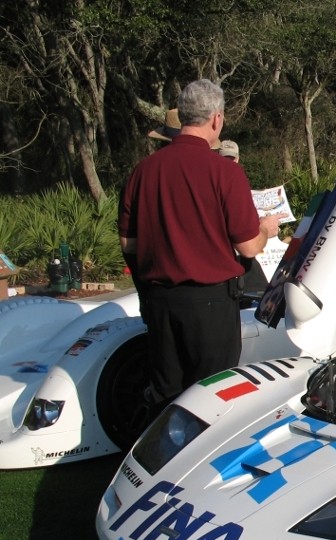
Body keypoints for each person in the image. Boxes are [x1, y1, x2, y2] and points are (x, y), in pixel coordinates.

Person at [119, 78, 284, 409]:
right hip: (210, 303)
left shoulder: (143, 172)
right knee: (213, 398)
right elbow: (250, 247)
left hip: (160, 302)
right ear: (216, 119)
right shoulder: (224, 173)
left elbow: (129, 243)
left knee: (166, 398)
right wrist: (266, 229)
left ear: (181, 117)